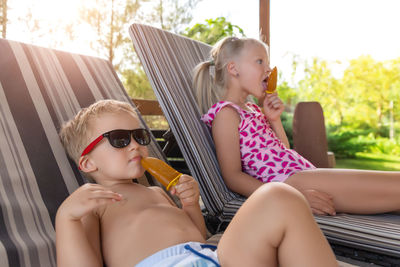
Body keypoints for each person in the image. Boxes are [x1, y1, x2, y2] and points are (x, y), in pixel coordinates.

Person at [56, 99, 337, 267]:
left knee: (280, 197)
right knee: (277, 194)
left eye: (140, 136)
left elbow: (195, 236)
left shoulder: (156, 191)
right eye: (119, 139)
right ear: (88, 163)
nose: (135, 146)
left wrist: (190, 205)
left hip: (211, 257)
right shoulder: (96, 203)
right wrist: (66, 218)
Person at [194, 36, 400, 216]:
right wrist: (293, 197)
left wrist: (273, 119)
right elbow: (233, 177)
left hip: (301, 176)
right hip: (292, 185)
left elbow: (282, 150)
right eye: (260, 61)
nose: (268, 69)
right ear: (233, 69)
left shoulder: (252, 110)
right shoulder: (226, 114)